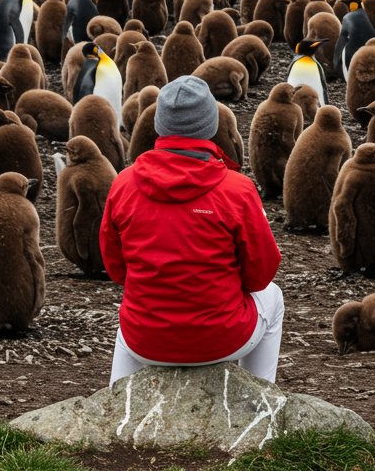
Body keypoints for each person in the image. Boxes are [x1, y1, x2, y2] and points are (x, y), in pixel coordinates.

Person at [101, 76, 283, 386]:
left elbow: (117, 269)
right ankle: (259, 399)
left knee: (130, 317)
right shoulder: (237, 189)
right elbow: (260, 274)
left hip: (145, 341)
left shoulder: (124, 184)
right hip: (222, 339)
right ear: (211, 124)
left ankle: (116, 406)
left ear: (160, 124)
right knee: (273, 297)